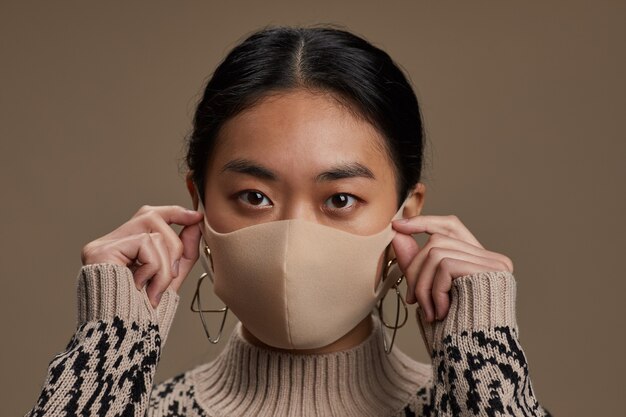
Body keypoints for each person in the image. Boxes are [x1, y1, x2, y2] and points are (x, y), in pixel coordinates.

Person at [25, 25, 552, 417]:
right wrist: (109, 347)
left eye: (340, 200)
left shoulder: (484, 405)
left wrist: (485, 364)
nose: (292, 242)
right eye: (254, 195)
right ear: (199, 205)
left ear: (406, 216)